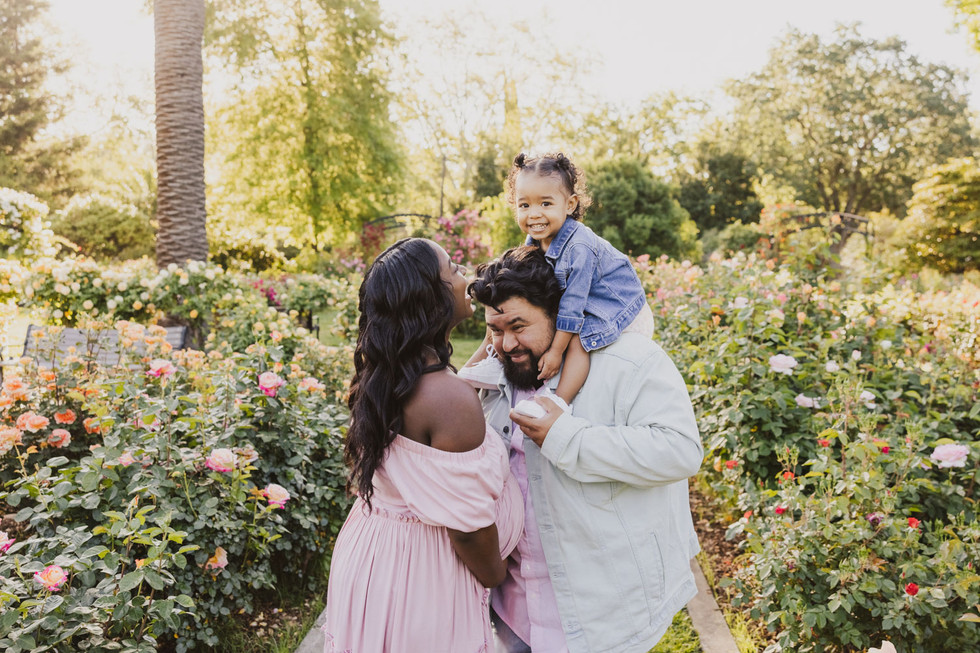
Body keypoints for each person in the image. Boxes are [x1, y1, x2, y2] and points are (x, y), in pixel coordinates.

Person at [467, 246, 703, 653]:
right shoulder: (494, 373)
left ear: (561, 315)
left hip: (604, 620)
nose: (506, 343)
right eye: (494, 329)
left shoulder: (632, 360)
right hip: (514, 613)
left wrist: (566, 438)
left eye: (519, 326)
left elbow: (680, 450)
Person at [322, 238, 524, 653]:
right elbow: (468, 530)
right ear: (428, 297)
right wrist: (496, 576)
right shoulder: (447, 400)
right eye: (453, 269)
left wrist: (496, 335)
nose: (465, 276)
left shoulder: (385, 375)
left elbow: (445, 395)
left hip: (374, 554)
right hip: (417, 574)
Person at [460, 152, 653, 407]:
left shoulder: (580, 247)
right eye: (524, 205)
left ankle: (558, 402)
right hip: (590, 301)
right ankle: (493, 362)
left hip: (619, 306)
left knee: (576, 342)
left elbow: (573, 307)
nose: (534, 214)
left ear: (570, 204)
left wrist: (554, 352)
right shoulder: (537, 239)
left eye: (546, 204)